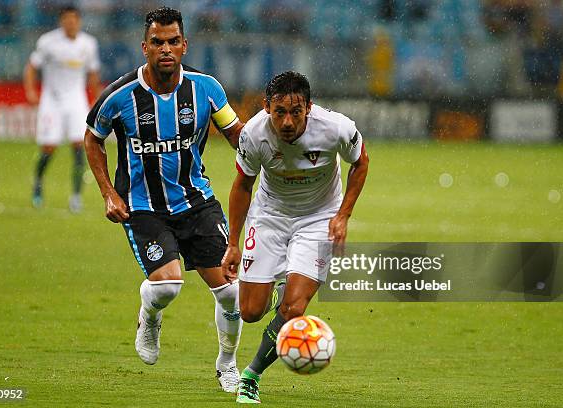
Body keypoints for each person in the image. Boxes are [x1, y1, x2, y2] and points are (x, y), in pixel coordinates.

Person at [84, 7, 244, 393]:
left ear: (185, 45)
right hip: (143, 208)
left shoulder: (206, 89)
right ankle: (150, 316)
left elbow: (237, 134)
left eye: (174, 41)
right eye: (158, 42)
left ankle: (227, 364)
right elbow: (92, 138)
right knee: (168, 286)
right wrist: (108, 193)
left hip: (197, 200)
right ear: (145, 47)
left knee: (231, 291)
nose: (166, 49)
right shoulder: (121, 96)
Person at [221, 71, 369, 403]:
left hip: (319, 219)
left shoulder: (336, 128)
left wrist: (342, 215)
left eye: (296, 112)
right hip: (270, 216)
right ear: (266, 108)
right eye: (279, 113)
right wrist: (233, 243)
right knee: (250, 311)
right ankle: (277, 283)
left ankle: (251, 375)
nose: (287, 121)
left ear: (309, 108)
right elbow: (243, 185)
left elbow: (361, 164)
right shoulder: (253, 135)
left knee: (293, 307)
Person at [24, 5, 102, 213]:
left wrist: (96, 98)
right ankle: (38, 184)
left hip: (76, 100)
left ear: (79, 21)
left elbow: (93, 73)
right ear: (61, 21)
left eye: (74, 19)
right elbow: (32, 66)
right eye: (67, 19)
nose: (71, 23)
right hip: (52, 101)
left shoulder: (89, 44)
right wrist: (31, 90)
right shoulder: (48, 42)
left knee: (80, 146)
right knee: (49, 148)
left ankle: (76, 196)